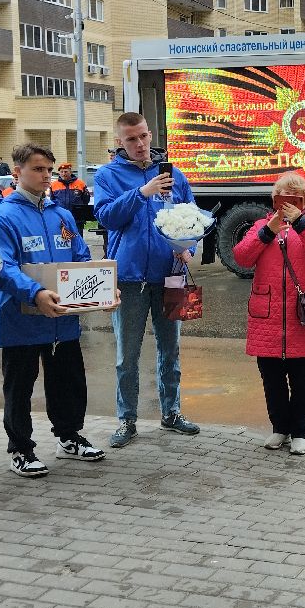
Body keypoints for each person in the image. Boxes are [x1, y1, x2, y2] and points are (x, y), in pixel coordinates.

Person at [0, 145, 106, 476]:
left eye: (49, 170)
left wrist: (100, 285)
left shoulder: (62, 215)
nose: (46, 176)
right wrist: (36, 293)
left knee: (68, 381)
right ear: (17, 172)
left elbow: (80, 257)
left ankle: (69, 438)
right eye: (38, 169)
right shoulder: (3, 218)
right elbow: (3, 268)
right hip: (20, 319)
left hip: (62, 320)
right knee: (20, 387)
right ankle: (21, 450)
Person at [94, 113, 200, 448]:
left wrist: (189, 246)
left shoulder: (171, 172)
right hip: (128, 281)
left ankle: (171, 412)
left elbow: (191, 216)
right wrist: (141, 192)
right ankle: (127, 419)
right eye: (131, 139)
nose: (139, 145)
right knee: (127, 356)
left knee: (171, 350)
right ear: (119, 142)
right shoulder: (108, 175)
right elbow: (106, 216)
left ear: (150, 134)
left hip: (171, 276)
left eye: (143, 136)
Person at [233, 173, 305, 456]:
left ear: (304, 202)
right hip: (267, 317)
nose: (288, 204)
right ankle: (280, 428)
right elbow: (241, 256)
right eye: (282, 197)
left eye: (295, 199)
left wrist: (301, 225)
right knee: (272, 378)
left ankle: (301, 432)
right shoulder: (261, 225)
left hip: (303, 317)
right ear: (274, 200)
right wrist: (268, 230)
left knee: (302, 378)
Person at [50, 163, 91, 235]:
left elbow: (86, 200)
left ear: (70, 172)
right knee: (62, 240)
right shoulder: (54, 185)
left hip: (77, 218)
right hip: (60, 218)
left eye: (66, 171)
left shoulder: (80, 184)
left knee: (78, 239)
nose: (63, 174)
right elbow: (52, 201)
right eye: (61, 172)